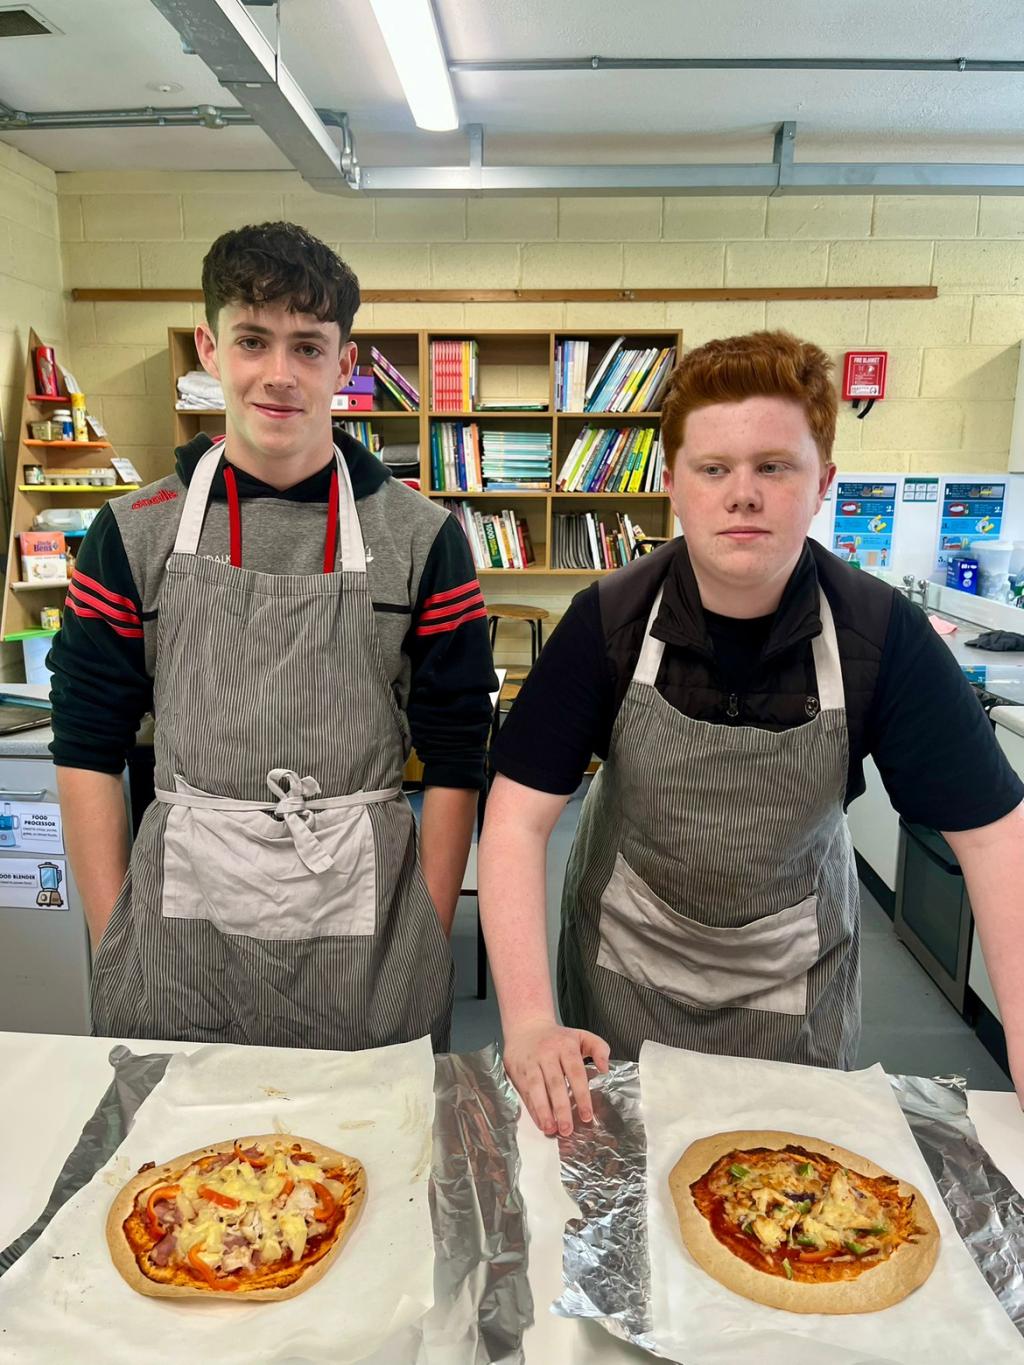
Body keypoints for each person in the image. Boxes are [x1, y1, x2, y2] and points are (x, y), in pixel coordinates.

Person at [479, 330, 1024, 1135]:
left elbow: (997, 837)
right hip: (626, 973)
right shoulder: (607, 622)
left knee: (790, 1191)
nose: (743, 495)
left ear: (822, 482)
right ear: (673, 484)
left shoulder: (881, 635)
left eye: (774, 466)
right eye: (714, 468)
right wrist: (529, 1019)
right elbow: (517, 819)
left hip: (792, 989)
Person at [49, 221, 496, 1051]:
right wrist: (114, 938)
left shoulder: (420, 538)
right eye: (252, 340)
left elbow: (457, 751)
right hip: (181, 946)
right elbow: (86, 746)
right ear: (209, 348)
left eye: (308, 347)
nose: (280, 374)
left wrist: (427, 939)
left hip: (367, 946)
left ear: (345, 363)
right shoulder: (133, 534)